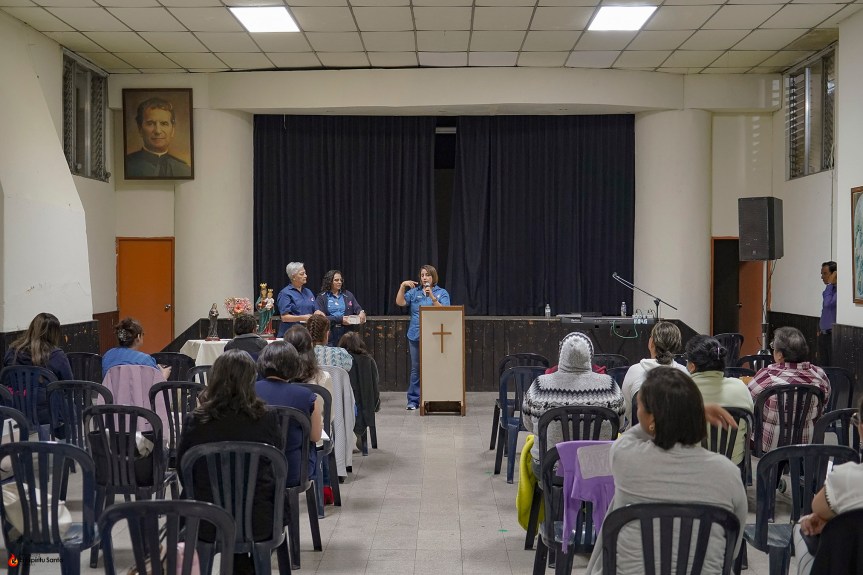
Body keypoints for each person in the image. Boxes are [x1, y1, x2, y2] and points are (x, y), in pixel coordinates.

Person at [584, 368, 748, 575]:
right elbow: (732, 550)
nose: (637, 413)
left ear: (650, 420)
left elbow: (628, 437)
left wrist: (676, 415)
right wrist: (687, 413)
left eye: (640, 407)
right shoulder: (728, 473)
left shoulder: (625, 457)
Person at [176, 350, 283, 575]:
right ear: (252, 380)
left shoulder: (195, 420)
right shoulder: (267, 418)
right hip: (258, 519)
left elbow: (183, 469)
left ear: (214, 379)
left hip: (205, 518)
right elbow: (276, 467)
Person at [522, 332, 624, 463]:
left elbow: (528, 424)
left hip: (550, 470)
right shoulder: (610, 386)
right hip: (599, 469)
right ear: (590, 356)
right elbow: (619, 425)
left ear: (561, 356)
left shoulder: (540, 385)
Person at [794, 396, 863, 575]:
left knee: (802, 527)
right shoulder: (819, 377)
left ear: (861, 429)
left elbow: (817, 507)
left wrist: (832, 521)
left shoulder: (847, 478)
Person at [748, 326, 831, 454]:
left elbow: (749, 402)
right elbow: (824, 402)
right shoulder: (819, 374)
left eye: (773, 347)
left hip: (770, 445)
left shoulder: (767, 376)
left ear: (780, 355)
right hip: (808, 442)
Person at [255, 341, 323, 488]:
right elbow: (315, 436)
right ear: (295, 365)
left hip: (254, 470)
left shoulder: (247, 391)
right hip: (293, 471)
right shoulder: (306, 396)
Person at [685, 334, 754, 465]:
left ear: (692, 366)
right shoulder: (741, 388)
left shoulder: (679, 390)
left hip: (690, 466)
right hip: (732, 464)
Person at [2, 312, 74, 427]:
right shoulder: (56, 355)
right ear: (54, 333)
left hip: (14, 409)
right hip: (47, 412)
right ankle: (66, 443)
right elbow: (69, 385)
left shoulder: (12, 352)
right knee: (73, 408)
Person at [395, 264, 450, 410]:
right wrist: (402, 286)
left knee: (435, 367)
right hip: (415, 335)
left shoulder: (442, 292)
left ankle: (434, 398)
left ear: (433, 277)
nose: (424, 277)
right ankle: (413, 400)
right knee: (416, 368)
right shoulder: (414, 292)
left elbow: (446, 311)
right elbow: (400, 302)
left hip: (435, 336)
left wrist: (432, 296)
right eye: (422, 275)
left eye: (427, 275)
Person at [620, 321, 688, 429]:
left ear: (651, 343)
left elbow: (627, 412)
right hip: (675, 441)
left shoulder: (634, 370)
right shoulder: (685, 374)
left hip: (639, 440)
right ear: (677, 346)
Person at [125, 97, 191, 178]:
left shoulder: (184, 170)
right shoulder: (127, 166)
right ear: (140, 129)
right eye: (150, 123)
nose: (158, 131)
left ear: (173, 130)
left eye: (164, 123)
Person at [338, 332, 381, 448]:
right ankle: (360, 434)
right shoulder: (369, 360)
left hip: (343, 405)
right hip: (367, 404)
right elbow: (375, 384)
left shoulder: (339, 361)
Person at [101, 317, 171, 380]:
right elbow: (155, 386)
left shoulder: (108, 355)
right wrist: (164, 375)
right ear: (138, 337)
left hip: (112, 394)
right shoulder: (145, 360)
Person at [315, 270, 366, 346]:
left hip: (347, 332)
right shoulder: (322, 297)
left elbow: (357, 307)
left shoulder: (348, 294)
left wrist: (361, 312)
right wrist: (340, 319)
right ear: (329, 281)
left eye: (341, 280)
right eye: (336, 280)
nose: (339, 282)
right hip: (330, 332)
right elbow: (321, 318)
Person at [276, 262, 321, 337]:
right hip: (291, 335)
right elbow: (284, 317)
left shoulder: (308, 291)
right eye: (302, 274)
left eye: (305, 273)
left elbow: (315, 309)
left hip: (307, 334)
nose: (305, 276)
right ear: (293, 277)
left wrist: (319, 313)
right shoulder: (285, 293)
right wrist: (303, 317)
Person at [818, 260, 837, 366]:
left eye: (825, 273)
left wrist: (830, 283)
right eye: (822, 273)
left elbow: (827, 304)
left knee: (832, 368)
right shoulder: (828, 290)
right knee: (823, 368)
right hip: (823, 335)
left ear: (834, 274)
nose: (822, 277)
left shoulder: (838, 290)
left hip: (832, 336)